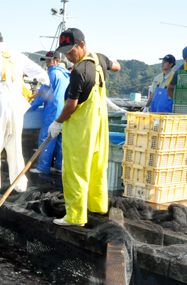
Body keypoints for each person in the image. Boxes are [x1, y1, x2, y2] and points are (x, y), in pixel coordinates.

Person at [48, 28, 121, 227]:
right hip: (98, 126)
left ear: (81, 45)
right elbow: (117, 67)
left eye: (71, 51)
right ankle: (98, 206)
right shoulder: (99, 59)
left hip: (81, 129)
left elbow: (71, 106)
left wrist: (57, 123)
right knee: (97, 167)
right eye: (64, 52)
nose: (68, 56)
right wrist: (111, 61)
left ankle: (75, 217)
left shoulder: (78, 72)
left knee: (75, 171)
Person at [0, 27, 50, 198]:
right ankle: (19, 183)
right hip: (16, 104)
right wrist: (48, 85)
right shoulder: (17, 55)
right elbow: (41, 74)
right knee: (14, 145)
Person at [29, 51, 70, 174]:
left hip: (52, 110)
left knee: (46, 137)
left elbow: (43, 94)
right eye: (46, 60)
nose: (47, 63)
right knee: (60, 140)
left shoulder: (52, 74)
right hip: (64, 110)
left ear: (57, 60)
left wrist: (31, 106)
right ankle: (59, 165)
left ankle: (42, 168)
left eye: (49, 60)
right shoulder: (66, 75)